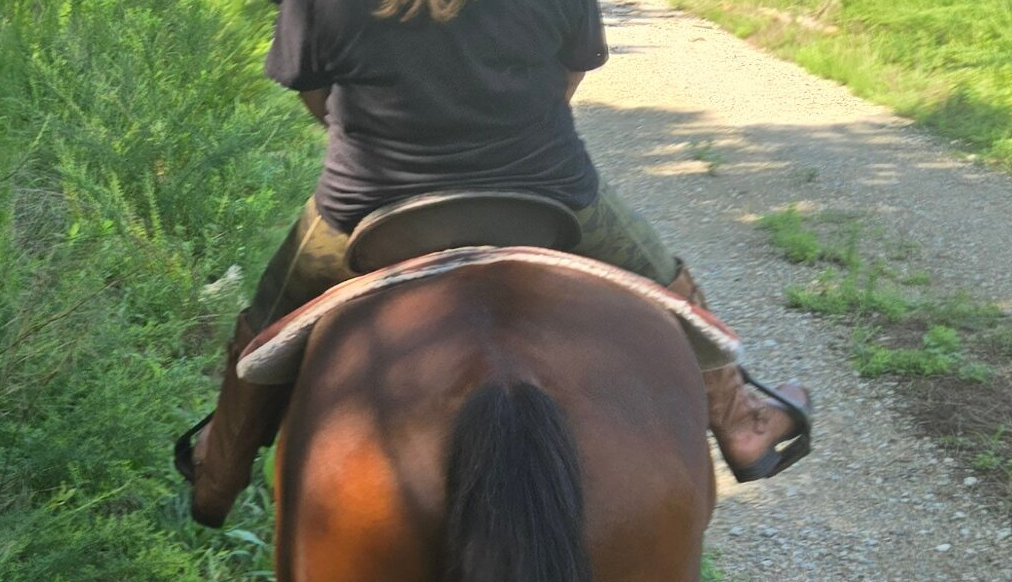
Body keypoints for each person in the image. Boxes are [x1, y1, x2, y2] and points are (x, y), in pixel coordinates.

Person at [175, 0, 812, 527]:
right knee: (666, 280)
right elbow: (567, 81)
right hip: (548, 195)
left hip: (368, 209)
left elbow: (317, 100)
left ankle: (219, 476)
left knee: (267, 322)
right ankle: (742, 424)